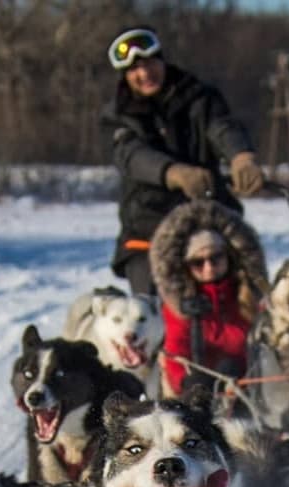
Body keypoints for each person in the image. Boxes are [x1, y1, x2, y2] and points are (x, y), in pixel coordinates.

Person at [102, 25, 265, 296]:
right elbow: (131, 155)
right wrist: (173, 173)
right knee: (151, 313)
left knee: (243, 293)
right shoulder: (116, 115)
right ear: (125, 75)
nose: (144, 73)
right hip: (147, 226)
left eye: (150, 62)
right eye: (134, 70)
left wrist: (242, 157)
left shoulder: (200, 97)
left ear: (162, 59)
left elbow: (222, 127)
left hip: (209, 216)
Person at [149, 199, 268, 395]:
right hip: (194, 385)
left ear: (229, 256)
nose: (209, 267)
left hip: (247, 383)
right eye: (198, 262)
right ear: (187, 266)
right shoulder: (180, 305)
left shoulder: (248, 296)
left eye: (216, 258)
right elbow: (175, 351)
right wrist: (185, 381)